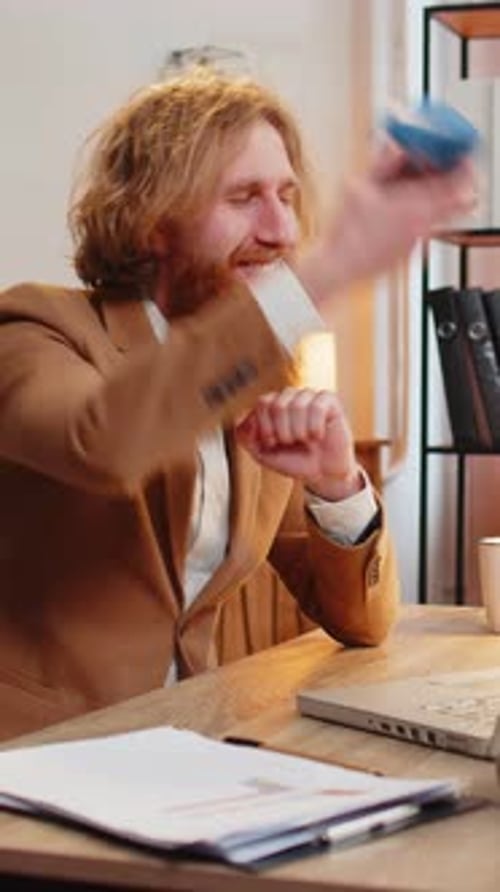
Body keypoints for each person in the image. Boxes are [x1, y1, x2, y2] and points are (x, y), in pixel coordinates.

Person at [0, 68, 475, 740]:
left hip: (182, 745)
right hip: (31, 762)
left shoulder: (251, 375)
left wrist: (335, 484)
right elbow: (101, 440)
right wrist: (334, 264)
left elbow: (360, 622)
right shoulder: (31, 328)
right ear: (151, 220)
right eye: (244, 197)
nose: (282, 229)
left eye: (287, 195)